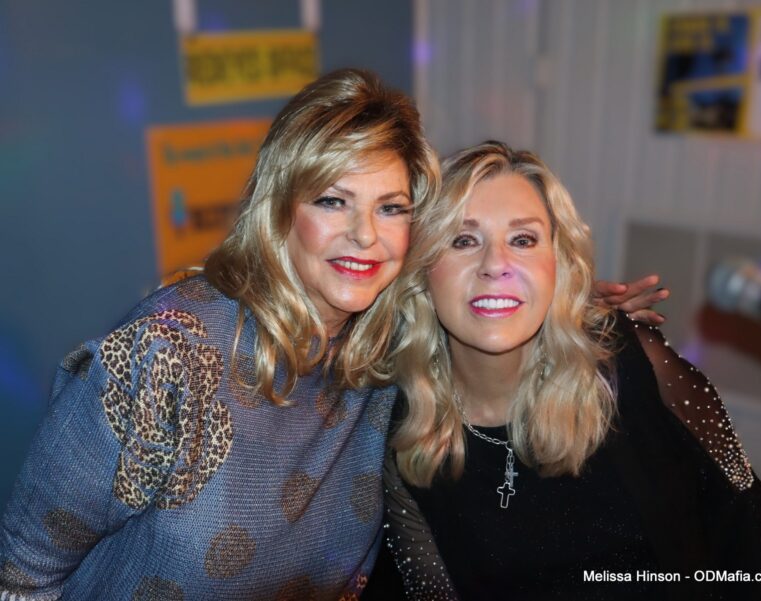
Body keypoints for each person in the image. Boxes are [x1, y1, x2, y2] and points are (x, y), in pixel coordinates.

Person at [0, 70, 663, 600]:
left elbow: (475, 301)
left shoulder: (381, 350)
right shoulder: (165, 355)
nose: (364, 235)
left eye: (391, 208)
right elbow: (22, 575)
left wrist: (565, 299)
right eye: (332, 200)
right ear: (280, 208)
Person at [363, 142, 761, 601]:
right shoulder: (398, 427)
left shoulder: (635, 364)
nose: (495, 266)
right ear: (422, 271)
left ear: (558, 263)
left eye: (523, 240)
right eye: (463, 240)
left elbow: (750, 552)